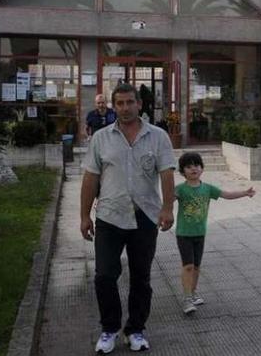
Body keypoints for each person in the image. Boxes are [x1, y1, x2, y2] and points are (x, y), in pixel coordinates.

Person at [80, 83, 175, 354]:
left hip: (145, 216)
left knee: (141, 277)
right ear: (113, 105)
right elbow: (90, 178)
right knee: (104, 276)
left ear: (139, 104)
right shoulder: (101, 138)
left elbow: (167, 173)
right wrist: (84, 216)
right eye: (119, 103)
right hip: (109, 216)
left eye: (130, 102)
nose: (125, 107)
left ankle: (135, 329)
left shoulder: (158, 137)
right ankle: (109, 329)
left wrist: (167, 209)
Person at [175, 152, 255, 315]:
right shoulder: (180, 189)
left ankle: (193, 292)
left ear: (202, 168)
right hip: (184, 233)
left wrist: (244, 193)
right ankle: (187, 298)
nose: (193, 169)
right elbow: (167, 202)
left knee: (196, 266)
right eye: (189, 167)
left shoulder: (207, 189)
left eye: (196, 165)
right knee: (188, 266)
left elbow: (226, 195)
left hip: (200, 233)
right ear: (183, 171)